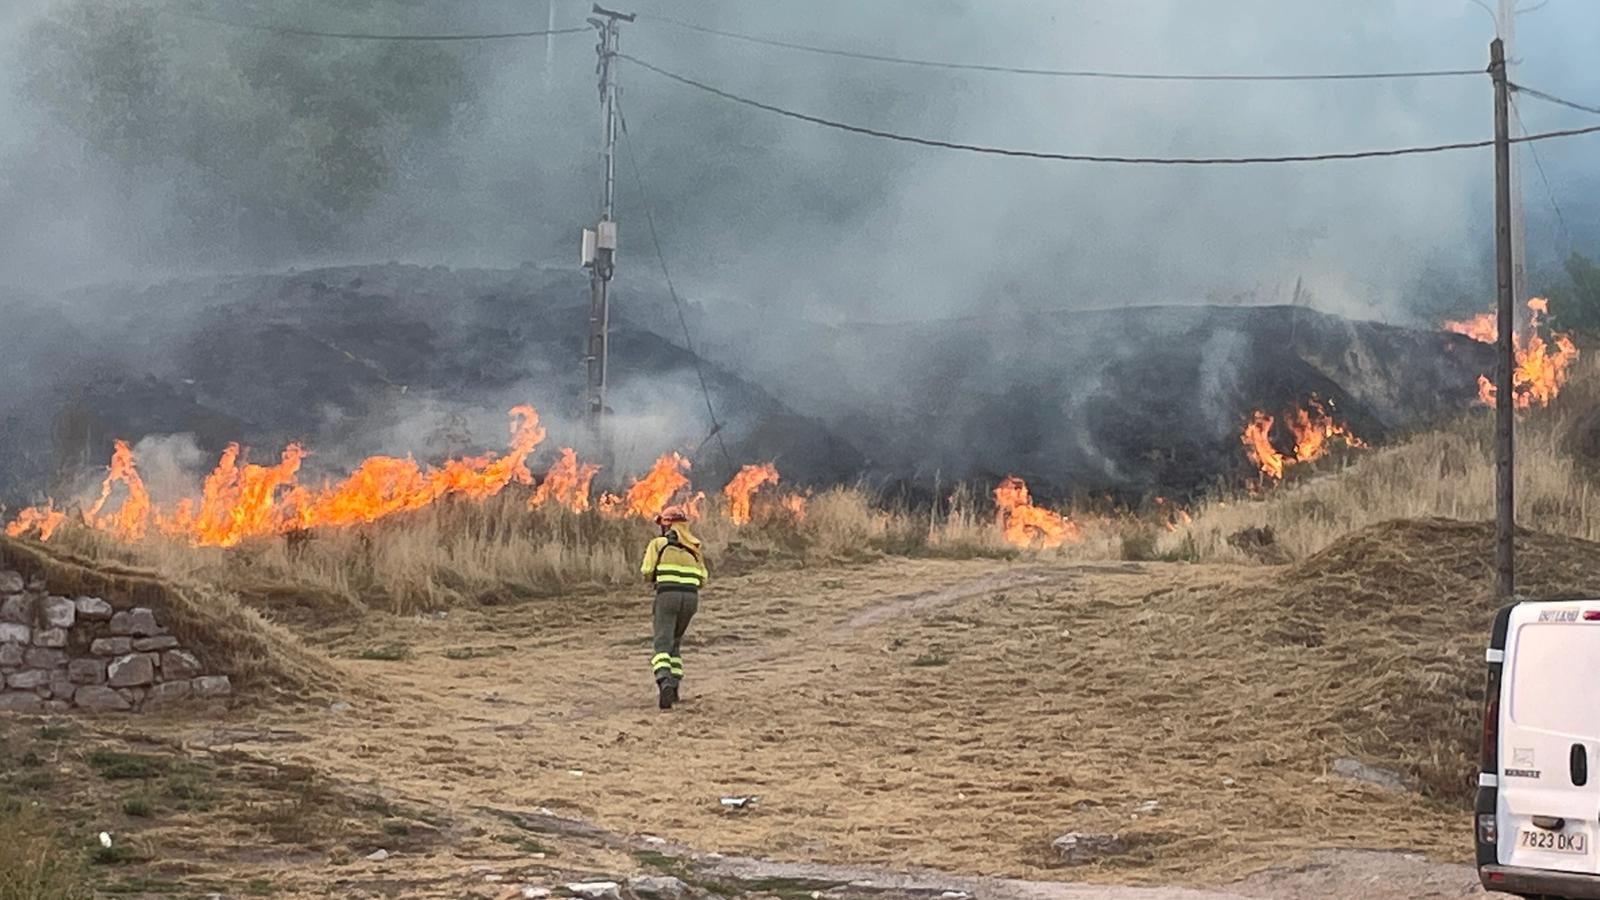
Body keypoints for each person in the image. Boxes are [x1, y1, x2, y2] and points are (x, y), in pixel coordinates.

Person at [638, 507, 708, 710]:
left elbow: (647, 571)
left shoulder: (658, 544)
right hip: (691, 599)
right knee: (675, 643)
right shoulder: (694, 547)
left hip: (667, 597)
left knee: (662, 644)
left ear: (667, 525)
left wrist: (657, 577)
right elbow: (703, 579)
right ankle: (675, 688)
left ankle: (664, 681)